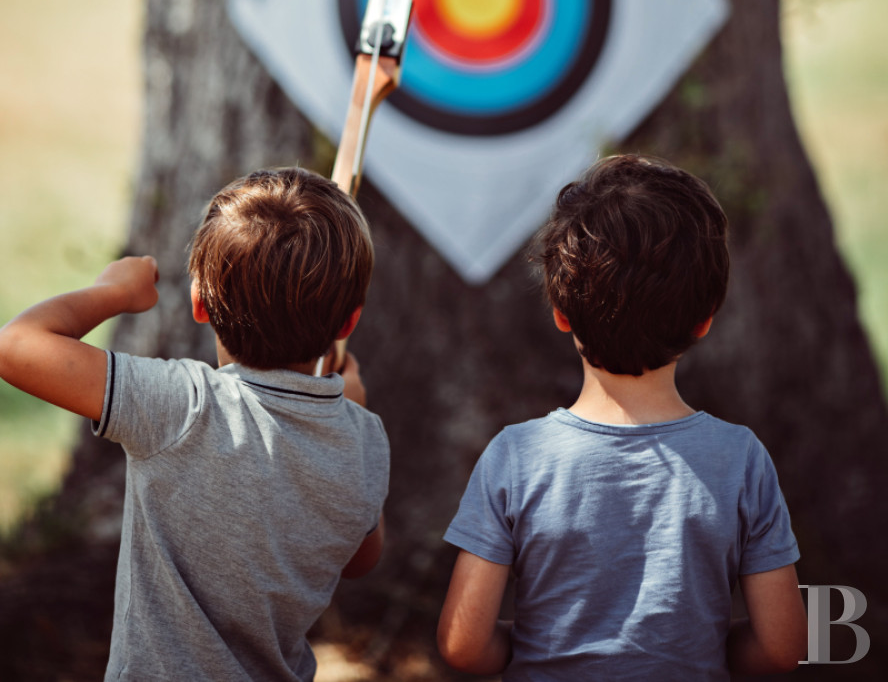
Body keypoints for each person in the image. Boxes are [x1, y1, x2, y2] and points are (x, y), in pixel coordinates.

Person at [0, 166, 389, 682]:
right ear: (348, 323)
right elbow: (362, 560)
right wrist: (351, 413)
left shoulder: (182, 406)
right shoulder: (365, 441)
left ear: (200, 304)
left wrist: (115, 291)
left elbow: (16, 347)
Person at [438, 154, 808, 679]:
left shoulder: (515, 458)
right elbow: (782, 647)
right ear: (704, 321)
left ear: (561, 314)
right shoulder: (741, 460)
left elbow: (462, 646)